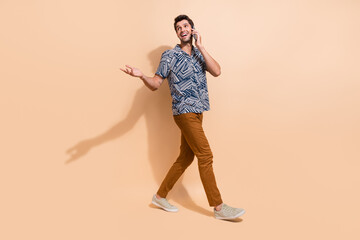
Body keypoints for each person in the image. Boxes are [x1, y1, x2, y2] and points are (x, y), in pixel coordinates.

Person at [120, 15, 245, 220]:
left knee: (186, 157)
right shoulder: (169, 56)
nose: (182, 29)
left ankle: (160, 196)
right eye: (178, 28)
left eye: (185, 26)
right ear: (177, 33)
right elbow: (156, 84)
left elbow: (217, 71)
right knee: (205, 155)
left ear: (192, 29)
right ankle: (219, 208)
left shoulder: (198, 54)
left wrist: (201, 47)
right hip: (184, 111)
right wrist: (141, 75)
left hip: (198, 111)